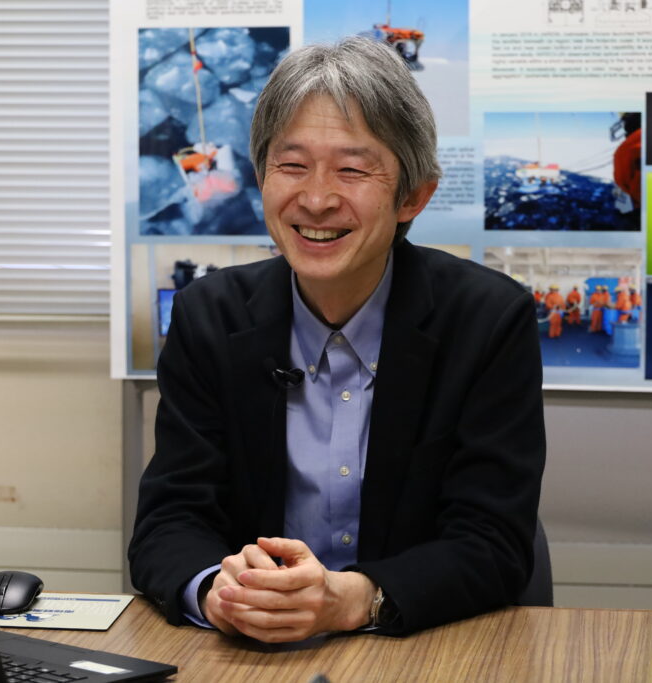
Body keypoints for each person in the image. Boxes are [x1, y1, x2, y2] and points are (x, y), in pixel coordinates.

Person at [128, 37, 546, 643]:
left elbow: (493, 543)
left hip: (420, 650)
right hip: (250, 653)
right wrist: (217, 591)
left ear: (413, 196)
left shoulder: (486, 320)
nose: (317, 200)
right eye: (292, 166)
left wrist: (355, 598)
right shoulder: (208, 317)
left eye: (352, 169)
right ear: (261, 177)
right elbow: (169, 520)